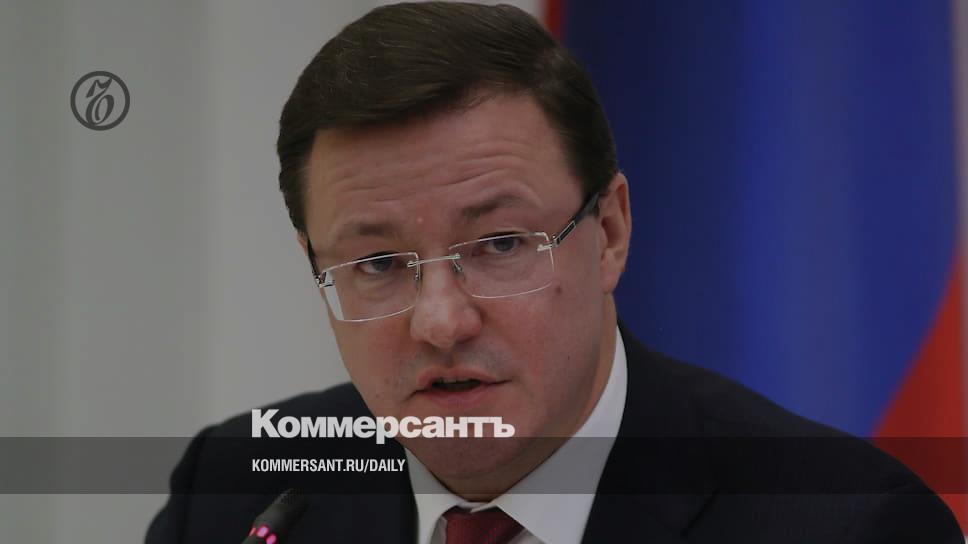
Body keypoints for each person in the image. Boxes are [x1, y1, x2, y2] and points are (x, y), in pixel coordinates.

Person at [146, 2, 963, 542]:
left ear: (609, 233)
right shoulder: (240, 491)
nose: (440, 321)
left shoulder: (845, 526)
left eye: (500, 245)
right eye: (380, 263)